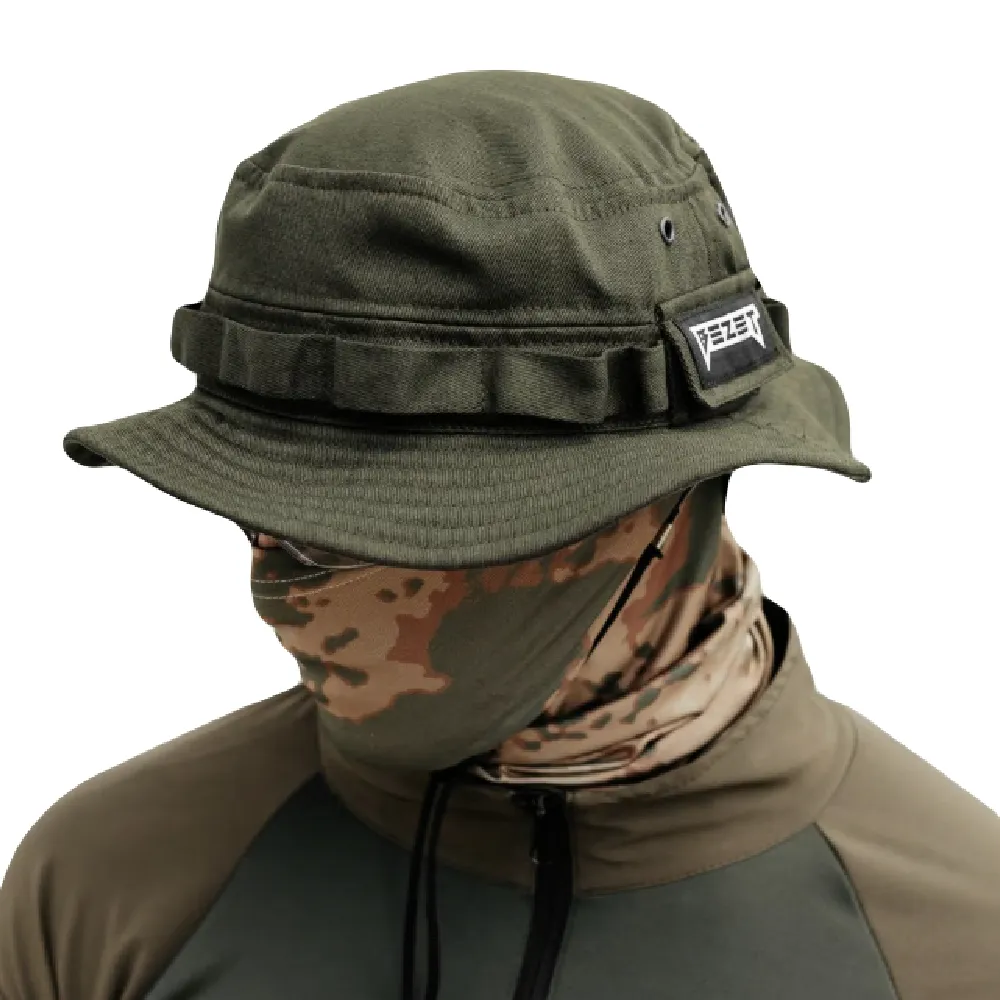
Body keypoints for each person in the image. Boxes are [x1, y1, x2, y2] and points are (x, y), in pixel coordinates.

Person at [1, 69, 997, 1000]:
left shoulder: (960, 944)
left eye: (382, 527)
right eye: (259, 515)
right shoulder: (108, 884)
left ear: (661, 505)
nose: (278, 589)